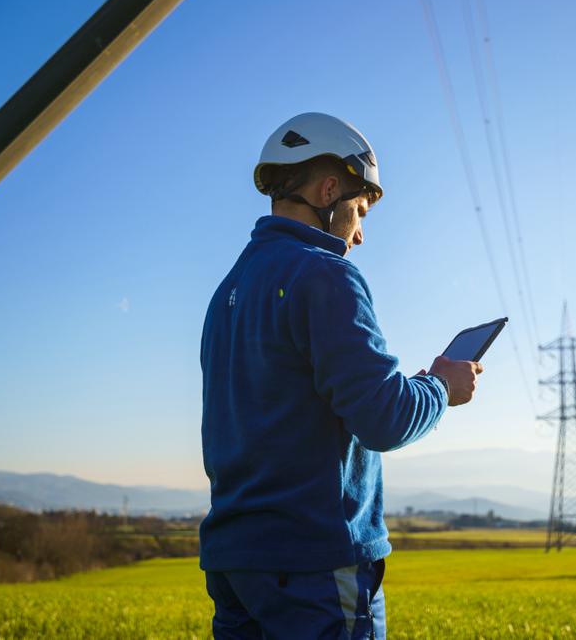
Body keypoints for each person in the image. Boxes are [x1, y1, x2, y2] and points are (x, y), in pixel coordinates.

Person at [199, 112, 484, 639]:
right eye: (359, 210)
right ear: (329, 190)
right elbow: (384, 419)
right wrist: (442, 388)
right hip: (314, 562)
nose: (359, 235)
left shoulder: (228, 291)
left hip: (234, 561)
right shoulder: (325, 274)